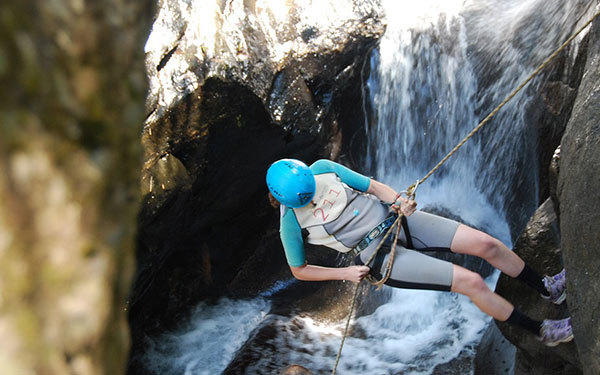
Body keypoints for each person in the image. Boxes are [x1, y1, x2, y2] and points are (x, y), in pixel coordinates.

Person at [266, 158, 573, 347]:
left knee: (486, 244)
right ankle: (543, 332)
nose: (313, 200)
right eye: (305, 200)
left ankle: (548, 288)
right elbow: (299, 269)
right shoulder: (290, 223)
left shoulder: (323, 169)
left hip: (397, 220)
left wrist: (398, 199)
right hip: (378, 257)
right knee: (472, 282)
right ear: (287, 201)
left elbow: (373, 187)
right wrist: (345, 273)